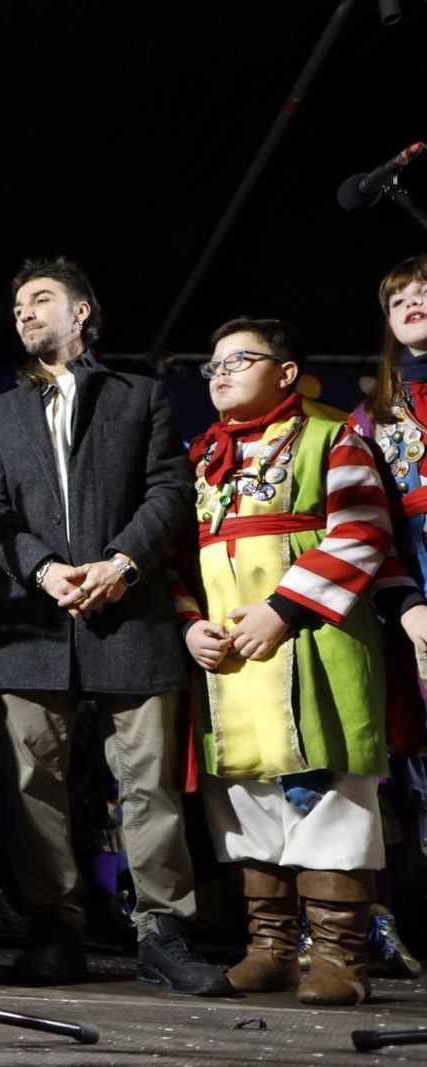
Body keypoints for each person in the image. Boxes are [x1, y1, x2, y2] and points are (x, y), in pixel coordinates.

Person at [0, 256, 229, 995]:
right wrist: (44, 570)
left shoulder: (139, 395)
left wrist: (121, 564)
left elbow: (169, 489)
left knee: (148, 783)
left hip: (130, 617)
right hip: (32, 623)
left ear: (81, 312)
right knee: (32, 782)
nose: (24, 312)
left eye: (40, 298)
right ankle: (56, 927)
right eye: (17, 304)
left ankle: (162, 931)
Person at [180, 317, 416, 1005]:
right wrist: (189, 624)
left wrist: (282, 609)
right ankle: (271, 948)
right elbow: (177, 555)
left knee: (330, 795)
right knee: (246, 797)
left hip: (314, 643)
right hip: (229, 662)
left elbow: (364, 531)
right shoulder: (202, 456)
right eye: (214, 364)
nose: (221, 373)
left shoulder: (331, 437)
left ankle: (341, 957)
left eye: (240, 359)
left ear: (286, 372)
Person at [347, 254, 427, 979]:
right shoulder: (374, 419)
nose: (412, 303)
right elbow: (368, 527)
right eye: (399, 296)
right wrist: (407, 603)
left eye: (426, 291)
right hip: (412, 601)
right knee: (412, 773)